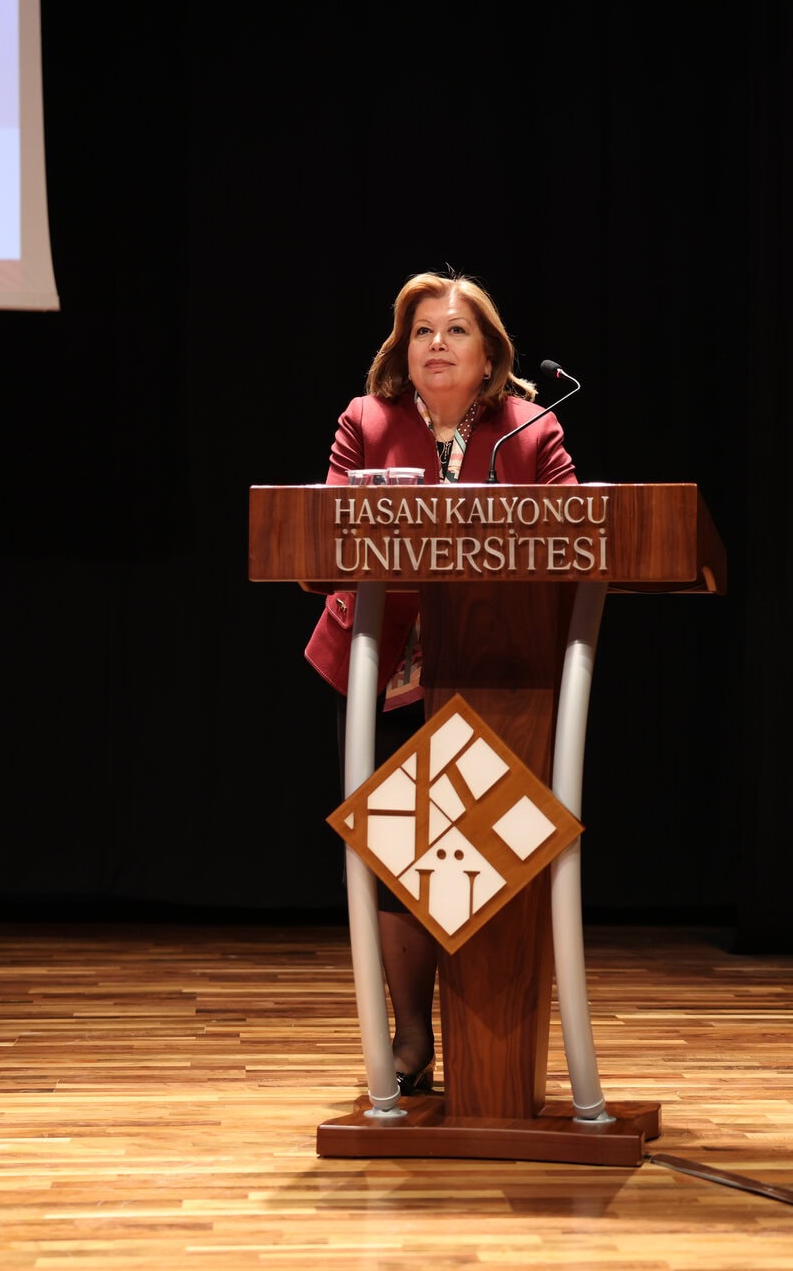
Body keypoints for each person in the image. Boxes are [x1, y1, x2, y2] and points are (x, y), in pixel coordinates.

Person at [304, 270, 578, 1097]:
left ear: (490, 352)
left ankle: (495, 1048)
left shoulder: (531, 429)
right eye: (422, 331)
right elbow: (328, 535)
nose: (436, 345)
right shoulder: (368, 420)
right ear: (403, 346)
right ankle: (413, 1034)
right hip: (393, 665)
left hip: (502, 669)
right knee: (401, 852)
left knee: (489, 850)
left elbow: (576, 543)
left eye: (455, 331)